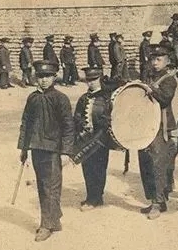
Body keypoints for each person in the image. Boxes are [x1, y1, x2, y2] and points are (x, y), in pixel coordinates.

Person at [18, 60, 75, 242]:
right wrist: (24, 148)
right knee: (44, 186)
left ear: (54, 77)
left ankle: (46, 225)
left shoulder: (61, 99)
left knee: (51, 187)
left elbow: (68, 127)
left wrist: (66, 151)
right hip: (36, 148)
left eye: (47, 77)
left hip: (53, 150)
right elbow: (25, 123)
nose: (43, 80)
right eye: (40, 77)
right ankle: (54, 220)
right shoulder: (32, 98)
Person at [138, 44, 178, 219]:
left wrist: (151, 89)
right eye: (153, 59)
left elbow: (164, 98)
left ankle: (158, 201)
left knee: (157, 165)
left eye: (159, 59)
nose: (155, 63)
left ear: (167, 61)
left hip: (161, 128)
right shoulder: (148, 77)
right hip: (146, 126)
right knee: (146, 164)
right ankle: (155, 200)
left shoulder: (169, 80)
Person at [73, 66, 111, 211]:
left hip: (101, 139)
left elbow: (112, 117)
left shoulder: (106, 98)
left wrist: (102, 123)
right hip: (86, 138)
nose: (91, 83)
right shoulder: (83, 98)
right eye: (88, 80)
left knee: (99, 168)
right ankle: (91, 196)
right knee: (87, 168)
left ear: (100, 79)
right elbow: (77, 116)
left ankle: (96, 198)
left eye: (94, 79)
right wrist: (81, 124)